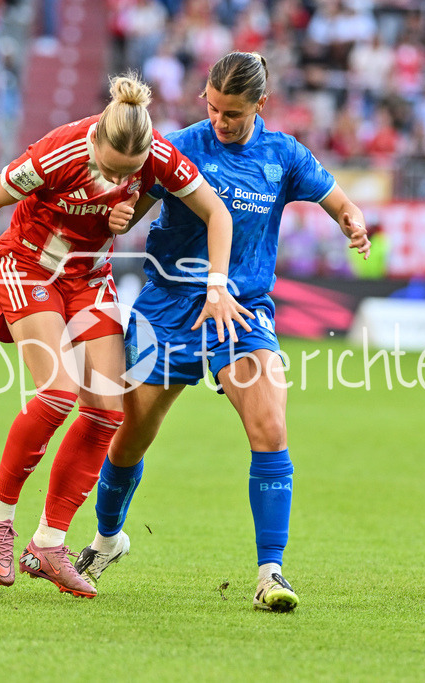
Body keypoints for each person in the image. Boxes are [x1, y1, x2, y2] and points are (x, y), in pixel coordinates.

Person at [74, 52, 370, 611]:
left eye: (232, 113)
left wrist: (351, 220)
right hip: (168, 307)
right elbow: (131, 206)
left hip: (241, 309)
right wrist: (115, 218)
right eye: (212, 107)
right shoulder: (180, 144)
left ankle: (270, 574)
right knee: (131, 436)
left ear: (262, 104)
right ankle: (108, 539)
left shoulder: (283, 156)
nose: (220, 121)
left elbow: (339, 200)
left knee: (270, 426)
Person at [0, 74, 249, 598]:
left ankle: (49, 543)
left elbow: (217, 214)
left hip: (90, 276)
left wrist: (216, 285)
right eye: (113, 169)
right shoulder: (57, 152)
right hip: (29, 267)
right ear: (96, 142)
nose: (122, 179)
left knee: (108, 409)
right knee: (57, 392)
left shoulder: (158, 156)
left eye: (131, 173)